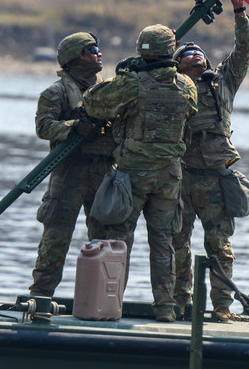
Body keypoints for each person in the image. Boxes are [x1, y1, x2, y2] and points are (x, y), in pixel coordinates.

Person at [82, 24, 198, 322]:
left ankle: (110, 305)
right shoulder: (187, 85)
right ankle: (165, 308)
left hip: (132, 176)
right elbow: (191, 113)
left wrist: (125, 73)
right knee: (164, 242)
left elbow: (93, 103)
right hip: (169, 176)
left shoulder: (132, 83)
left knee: (119, 242)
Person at [170, 0, 249, 322]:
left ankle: (222, 307)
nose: (194, 56)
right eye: (186, 54)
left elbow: (245, 50)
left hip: (216, 177)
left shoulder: (222, 83)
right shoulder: (169, 87)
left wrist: (240, 13)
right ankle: (180, 304)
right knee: (177, 244)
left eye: (199, 53)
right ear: (176, 65)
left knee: (219, 246)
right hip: (180, 176)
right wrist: (164, 46)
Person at [29, 32, 116, 297]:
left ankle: (101, 300)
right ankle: (41, 297)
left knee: (105, 240)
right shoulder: (55, 92)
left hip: (103, 171)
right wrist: (75, 126)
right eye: (93, 50)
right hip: (69, 171)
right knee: (55, 239)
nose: (99, 54)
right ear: (76, 56)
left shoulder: (109, 90)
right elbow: (44, 127)